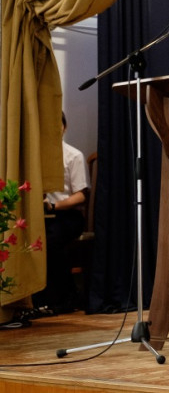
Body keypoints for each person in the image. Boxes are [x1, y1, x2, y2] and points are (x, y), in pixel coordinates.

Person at [34, 111, 89, 315]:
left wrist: (54, 205)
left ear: (64, 127)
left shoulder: (73, 155)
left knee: (50, 241)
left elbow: (81, 195)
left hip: (67, 215)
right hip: (41, 217)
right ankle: (35, 299)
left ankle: (65, 297)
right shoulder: (35, 156)